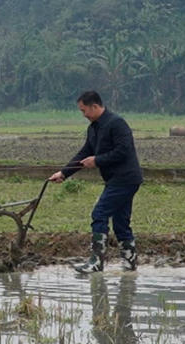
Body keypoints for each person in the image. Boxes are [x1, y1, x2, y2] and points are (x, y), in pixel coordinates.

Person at [48, 90, 143, 273]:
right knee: (120, 222)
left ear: (95, 106)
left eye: (84, 110)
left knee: (99, 213)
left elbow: (123, 151)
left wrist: (97, 160)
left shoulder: (117, 123)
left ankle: (96, 262)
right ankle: (129, 265)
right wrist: (64, 173)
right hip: (116, 179)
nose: (83, 115)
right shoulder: (93, 128)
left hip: (125, 178)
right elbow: (84, 153)